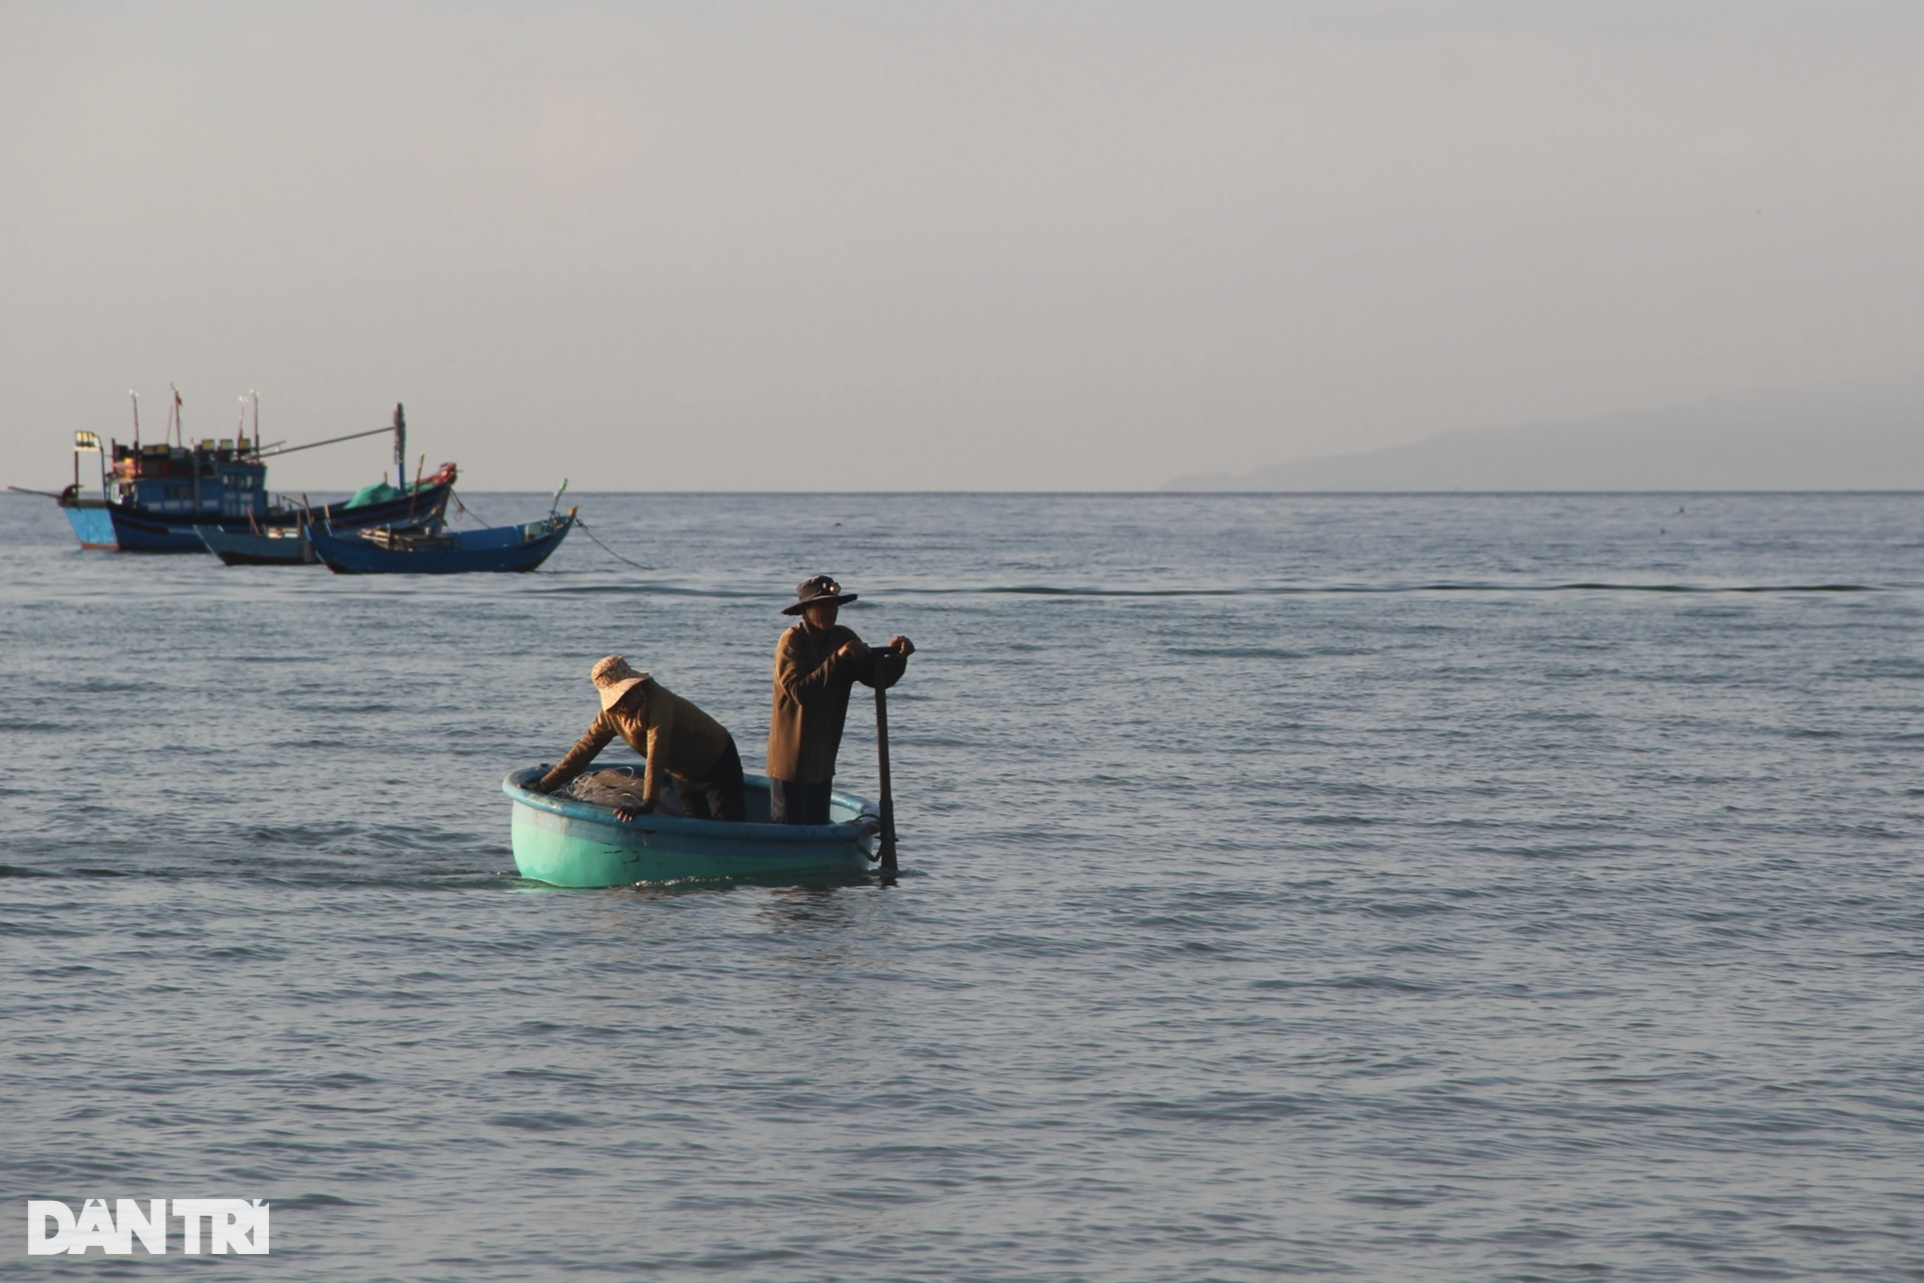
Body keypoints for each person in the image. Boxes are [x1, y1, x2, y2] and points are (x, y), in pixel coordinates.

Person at [768, 575, 915, 824]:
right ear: (806, 610)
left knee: (817, 829)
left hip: (823, 761)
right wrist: (837, 659)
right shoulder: (792, 641)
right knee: (789, 832)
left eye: (833, 605)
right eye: (822, 605)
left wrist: (898, 657)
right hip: (791, 763)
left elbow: (877, 678)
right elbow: (799, 692)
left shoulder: (843, 637)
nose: (830, 611)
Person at [530, 656, 746, 822]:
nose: (624, 702)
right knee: (696, 822)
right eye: (619, 698)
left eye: (628, 693)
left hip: (716, 759)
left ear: (638, 685)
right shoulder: (611, 715)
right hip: (682, 771)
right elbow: (585, 749)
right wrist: (545, 784)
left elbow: (657, 752)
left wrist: (647, 803)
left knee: (729, 823)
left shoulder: (659, 702)